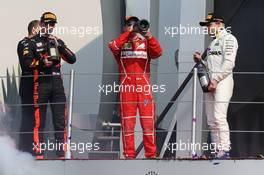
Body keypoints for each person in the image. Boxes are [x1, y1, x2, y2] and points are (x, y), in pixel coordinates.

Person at [21, 12, 76, 159]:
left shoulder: (56, 41)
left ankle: (61, 153)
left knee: (60, 120)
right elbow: (26, 64)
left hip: (57, 84)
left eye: (52, 24)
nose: (50, 27)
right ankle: (39, 153)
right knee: (40, 121)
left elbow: (72, 59)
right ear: (41, 23)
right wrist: (41, 63)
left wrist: (60, 46)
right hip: (41, 83)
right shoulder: (30, 42)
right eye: (47, 24)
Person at [109, 16, 163, 159]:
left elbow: (158, 52)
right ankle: (129, 155)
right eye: (129, 24)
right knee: (128, 124)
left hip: (143, 88)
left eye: (135, 24)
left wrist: (148, 35)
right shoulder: (120, 43)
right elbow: (112, 46)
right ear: (124, 27)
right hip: (127, 89)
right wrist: (129, 33)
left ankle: (151, 155)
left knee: (148, 123)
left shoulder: (145, 42)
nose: (132, 26)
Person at [194, 13, 238, 158]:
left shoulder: (229, 39)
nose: (207, 28)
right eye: (206, 26)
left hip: (223, 82)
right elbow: (212, 66)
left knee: (219, 117)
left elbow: (229, 63)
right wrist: (201, 61)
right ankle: (217, 151)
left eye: (209, 25)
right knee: (211, 120)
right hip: (211, 83)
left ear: (219, 24)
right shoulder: (212, 43)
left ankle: (224, 150)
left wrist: (216, 80)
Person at [17, 20, 40, 154]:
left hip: (39, 85)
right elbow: (27, 63)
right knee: (28, 117)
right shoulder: (24, 43)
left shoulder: (40, 43)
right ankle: (25, 149)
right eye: (40, 29)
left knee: (37, 118)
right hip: (28, 84)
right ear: (34, 30)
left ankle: (35, 148)